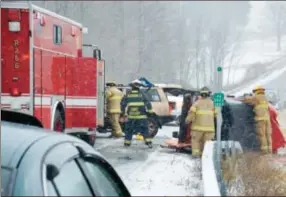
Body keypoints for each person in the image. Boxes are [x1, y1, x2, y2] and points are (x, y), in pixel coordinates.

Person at [185, 87, 217, 157]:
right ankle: (205, 158)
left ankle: (196, 157)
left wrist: (187, 120)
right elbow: (216, 115)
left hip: (197, 130)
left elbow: (191, 114)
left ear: (201, 94)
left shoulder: (197, 103)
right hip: (209, 130)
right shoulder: (213, 104)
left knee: (196, 143)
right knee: (207, 145)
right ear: (209, 94)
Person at [121, 79, 153, 148]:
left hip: (131, 117)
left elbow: (123, 104)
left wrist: (122, 113)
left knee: (129, 130)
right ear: (139, 87)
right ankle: (148, 143)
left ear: (132, 87)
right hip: (141, 117)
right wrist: (150, 112)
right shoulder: (142, 94)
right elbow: (148, 103)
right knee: (145, 130)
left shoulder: (128, 94)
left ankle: (127, 143)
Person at [240, 85, 272, 154]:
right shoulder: (265, 98)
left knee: (262, 135)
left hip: (260, 119)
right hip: (267, 119)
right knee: (268, 135)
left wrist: (243, 98)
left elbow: (247, 100)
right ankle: (270, 151)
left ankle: (264, 152)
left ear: (256, 91)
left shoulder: (256, 97)